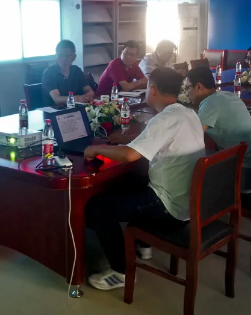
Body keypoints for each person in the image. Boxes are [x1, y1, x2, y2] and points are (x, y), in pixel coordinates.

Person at [84, 67, 205, 290]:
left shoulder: (164, 119)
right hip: (187, 201)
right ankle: (143, 244)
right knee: (129, 181)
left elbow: (130, 155)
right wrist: (130, 138)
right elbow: (160, 138)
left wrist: (96, 149)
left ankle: (120, 272)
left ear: (154, 90)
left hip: (167, 207)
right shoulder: (187, 113)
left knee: (96, 208)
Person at [185, 66, 251, 193]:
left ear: (198, 86)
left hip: (244, 173)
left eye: (187, 88)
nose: (187, 93)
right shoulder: (228, 95)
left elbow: (192, 139)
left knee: (189, 164)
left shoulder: (210, 104)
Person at [41, 40, 94, 106]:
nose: (64, 59)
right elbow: (57, 99)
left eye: (67, 56)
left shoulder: (76, 70)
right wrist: (78, 98)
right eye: (60, 55)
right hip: (55, 110)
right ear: (56, 56)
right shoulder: (49, 73)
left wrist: (86, 97)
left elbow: (89, 91)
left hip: (76, 108)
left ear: (74, 57)